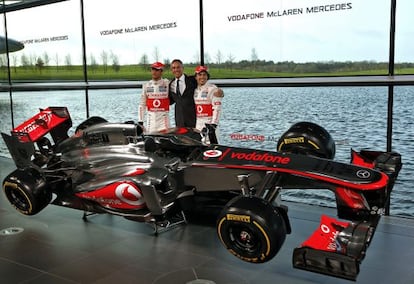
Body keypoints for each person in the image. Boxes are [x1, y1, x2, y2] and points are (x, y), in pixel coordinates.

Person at [169, 59, 224, 128]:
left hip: (194, 121)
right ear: (171, 70)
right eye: (174, 68)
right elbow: (169, 101)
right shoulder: (171, 84)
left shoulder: (192, 80)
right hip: (179, 121)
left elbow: (204, 83)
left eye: (178, 67)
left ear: (182, 68)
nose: (176, 70)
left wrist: (220, 93)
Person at [193, 65, 223, 143]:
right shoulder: (195, 90)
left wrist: (213, 125)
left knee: (213, 151)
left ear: (207, 76)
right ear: (196, 77)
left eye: (204, 75)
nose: (202, 77)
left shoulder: (213, 89)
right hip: (198, 127)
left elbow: (217, 108)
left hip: (210, 127)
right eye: (200, 75)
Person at [138, 62, 170, 133]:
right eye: (153, 69)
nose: (154, 72)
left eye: (156, 70)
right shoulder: (146, 85)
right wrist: (140, 122)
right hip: (151, 123)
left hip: (164, 123)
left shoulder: (167, 83)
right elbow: (142, 104)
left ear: (161, 71)